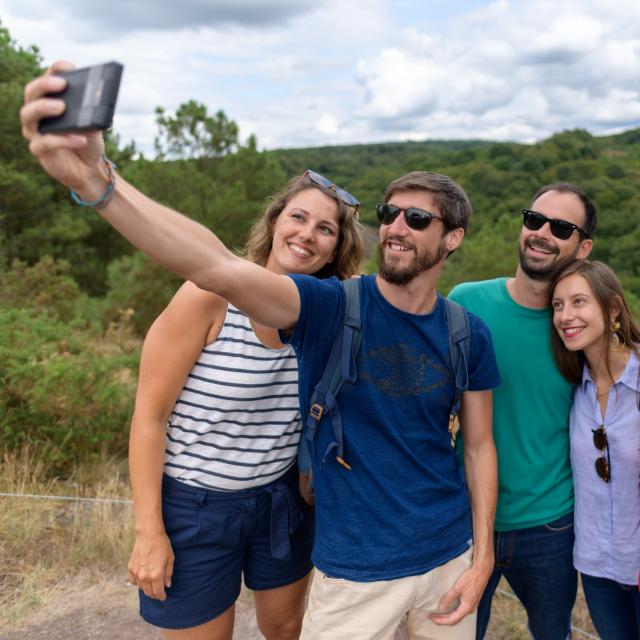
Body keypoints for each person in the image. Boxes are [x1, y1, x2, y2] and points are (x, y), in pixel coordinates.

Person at [22, 62, 500, 639]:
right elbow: (212, 266)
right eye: (388, 213)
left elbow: (473, 444)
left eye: (417, 217)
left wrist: (483, 557)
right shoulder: (304, 305)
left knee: (283, 628)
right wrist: (99, 183)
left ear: (451, 238)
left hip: (330, 519)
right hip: (246, 524)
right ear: (274, 223)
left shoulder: (425, 325)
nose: (396, 226)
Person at [127, 171, 363, 638]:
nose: (306, 235)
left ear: (336, 249)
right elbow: (149, 418)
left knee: (287, 629)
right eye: (298, 217)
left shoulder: (333, 313)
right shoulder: (209, 296)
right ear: (275, 221)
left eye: (325, 229)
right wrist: (148, 532)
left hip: (281, 500)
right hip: (197, 506)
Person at [449, 182, 597, 640]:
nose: (541, 233)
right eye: (534, 220)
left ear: (583, 246)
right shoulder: (466, 303)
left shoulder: (578, 329)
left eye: (560, 227)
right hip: (464, 519)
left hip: (550, 525)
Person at [550, 260, 640, 640]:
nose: (566, 316)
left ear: (613, 308)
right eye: (557, 305)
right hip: (597, 567)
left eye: (579, 302)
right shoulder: (571, 388)